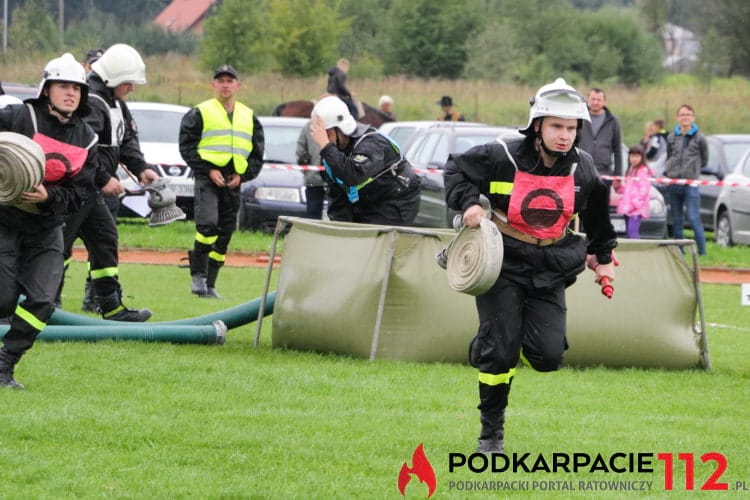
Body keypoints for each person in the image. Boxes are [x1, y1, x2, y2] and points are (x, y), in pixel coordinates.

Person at [444, 78, 618, 454]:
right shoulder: (500, 153)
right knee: (501, 351)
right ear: (537, 125)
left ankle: (505, 336)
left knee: (548, 357)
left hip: (552, 265)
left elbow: (598, 215)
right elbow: (456, 169)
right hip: (502, 263)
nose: (565, 136)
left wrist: (602, 258)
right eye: (557, 126)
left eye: (572, 128)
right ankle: (491, 434)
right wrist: (470, 203)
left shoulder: (583, 168)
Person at [0, 53, 98, 388]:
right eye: (63, 86)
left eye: (77, 88)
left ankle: (4, 365)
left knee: (43, 300)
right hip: (5, 221)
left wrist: (48, 198)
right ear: (46, 89)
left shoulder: (87, 139)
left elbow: (80, 193)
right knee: (2, 299)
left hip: (47, 226)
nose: (71, 93)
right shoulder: (17, 117)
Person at [59, 43, 159, 321]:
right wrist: (104, 179)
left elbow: (125, 141)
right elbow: (82, 148)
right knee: (59, 246)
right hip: (76, 189)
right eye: (128, 82)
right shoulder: (91, 101)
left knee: (105, 239)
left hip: (92, 191)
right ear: (114, 78)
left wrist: (141, 168)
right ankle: (46, 304)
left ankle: (111, 307)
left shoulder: (115, 103)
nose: (131, 88)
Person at [180, 64, 265, 298]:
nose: (225, 85)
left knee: (225, 231)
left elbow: (257, 155)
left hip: (233, 179)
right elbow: (186, 147)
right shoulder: (200, 112)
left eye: (230, 81)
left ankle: (211, 283)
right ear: (213, 85)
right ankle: (198, 276)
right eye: (221, 81)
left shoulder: (249, 116)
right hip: (208, 177)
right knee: (208, 224)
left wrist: (244, 176)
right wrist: (207, 170)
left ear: (238, 86)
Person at [309, 95, 421, 225]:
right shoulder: (332, 154)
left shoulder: (372, 143)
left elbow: (353, 175)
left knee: (374, 240)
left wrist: (326, 147)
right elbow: (337, 197)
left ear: (340, 128)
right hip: (367, 199)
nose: (322, 140)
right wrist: (339, 229)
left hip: (395, 198)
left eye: (326, 134)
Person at [664, 104, 708, 256]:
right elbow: (669, 155)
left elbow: (705, 159)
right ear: (678, 117)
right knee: (676, 219)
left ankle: (702, 252)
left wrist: (693, 171)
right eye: (682, 114)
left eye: (688, 114)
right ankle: (679, 250)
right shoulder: (671, 136)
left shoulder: (700, 137)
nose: (685, 117)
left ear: (693, 117)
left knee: (693, 216)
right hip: (674, 182)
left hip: (691, 183)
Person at [577, 88, 623, 178]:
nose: (595, 102)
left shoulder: (613, 121)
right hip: (581, 169)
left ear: (604, 101)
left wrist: (618, 175)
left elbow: (617, 149)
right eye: (593, 99)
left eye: (599, 100)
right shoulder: (579, 118)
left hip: (604, 172)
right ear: (588, 100)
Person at [614, 144, 653, 239]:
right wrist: (618, 188)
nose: (634, 158)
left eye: (637, 156)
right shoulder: (631, 170)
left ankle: (638, 253)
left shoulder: (643, 171)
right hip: (628, 208)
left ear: (642, 157)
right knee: (628, 233)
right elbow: (628, 188)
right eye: (632, 156)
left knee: (633, 233)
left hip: (636, 209)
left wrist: (635, 204)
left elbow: (644, 190)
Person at [296, 120, 326, 219]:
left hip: (314, 178)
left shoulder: (309, 126)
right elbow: (300, 153)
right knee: (314, 215)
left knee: (313, 215)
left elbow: (300, 151)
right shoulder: (309, 126)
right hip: (315, 179)